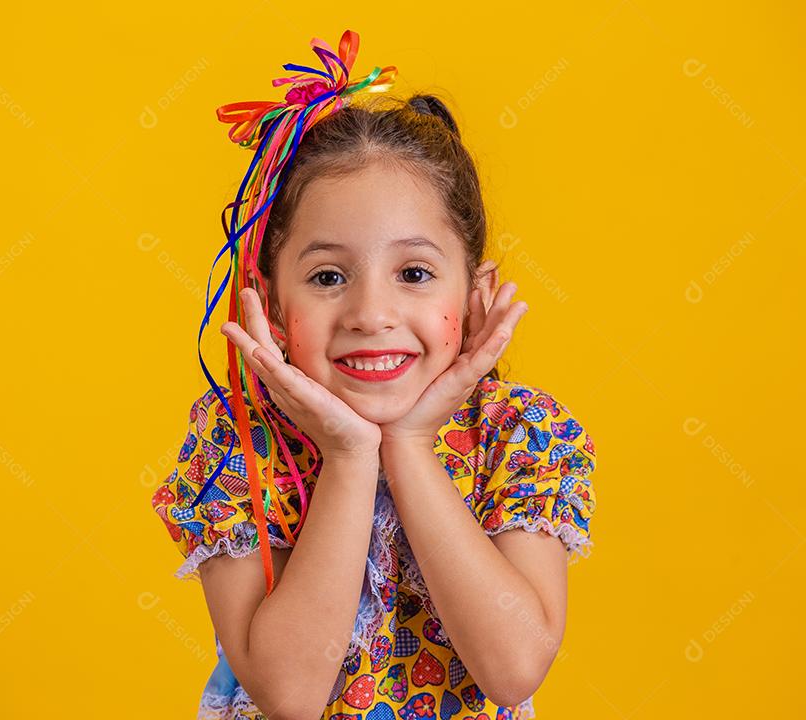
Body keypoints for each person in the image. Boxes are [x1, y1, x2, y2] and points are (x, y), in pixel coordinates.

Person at [150, 30, 598, 720]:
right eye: (328, 276)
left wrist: (411, 447)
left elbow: (512, 669)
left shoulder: (520, 433)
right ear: (269, 302)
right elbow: (289, 696)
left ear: (475, 295)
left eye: (414, 274)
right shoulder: (238, 440)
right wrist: (350, 455)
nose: (370, 313)